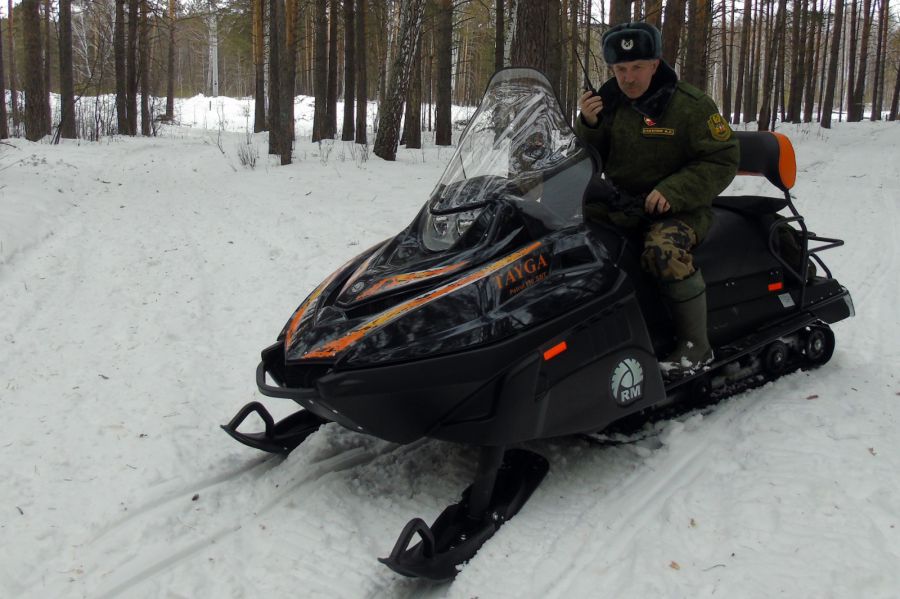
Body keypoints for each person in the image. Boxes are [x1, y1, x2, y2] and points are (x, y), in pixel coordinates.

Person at [575, 22, 739, 376]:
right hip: (622, 203)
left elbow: (723, 158)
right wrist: (588, 124)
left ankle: (696, 346)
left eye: (637, 68)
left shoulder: (690, 105)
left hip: (681, 209)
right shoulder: (609, 103)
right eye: (621, 69)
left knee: (662, 251)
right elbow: (588, 158)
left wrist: (674, 190)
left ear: (655, 64)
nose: (629, 78)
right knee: (568, 235)